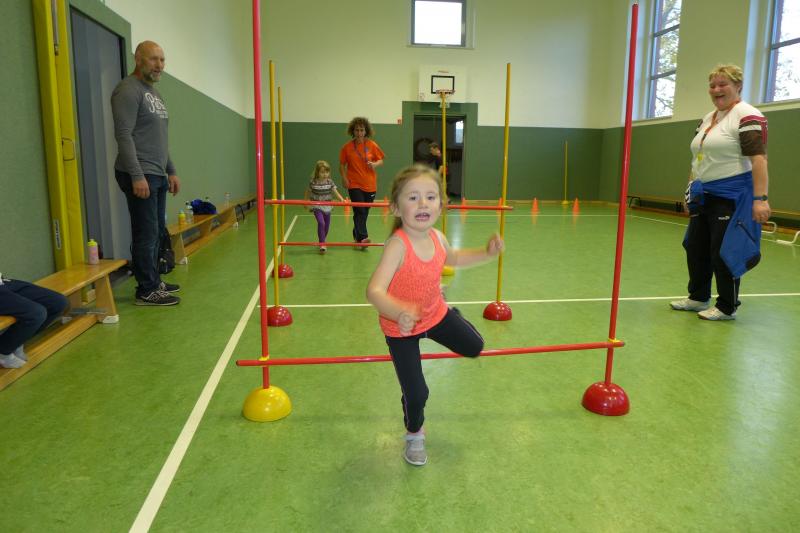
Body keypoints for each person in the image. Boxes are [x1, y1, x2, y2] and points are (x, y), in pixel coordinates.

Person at [366, 165, 504, 466]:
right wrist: (398, 312)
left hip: (435, 314)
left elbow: (454, 258)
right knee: (417, 393)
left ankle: (450, 313)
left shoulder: (438, 238)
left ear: (441, 205)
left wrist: (487, 253)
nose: (423, 203)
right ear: (396, 208)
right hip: (401, 329)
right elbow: (374, 291)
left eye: (430, 197)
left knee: (475, 346)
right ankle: (414, 433)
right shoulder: (397, 245)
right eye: (412, 197)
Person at [670, 64, 770, 321]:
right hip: (704, 194)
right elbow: (698, 158)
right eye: (712, 85)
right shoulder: (707, 118)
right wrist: (690, 189)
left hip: (732, 196)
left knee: (724, 251)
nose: (716, 89)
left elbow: (759, 160)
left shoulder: (747, 116)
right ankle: (698, 297)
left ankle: (727, 306)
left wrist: (760, 200)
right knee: (695, 246)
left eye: (723, 84)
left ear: (738, 86)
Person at [111, 40, 181, 306]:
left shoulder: (155, 94)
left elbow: (159, 138)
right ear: (138, 59)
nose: (159, 65)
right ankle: (146, 290)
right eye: (153, 59)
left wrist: (171, 170)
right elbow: (123, 135)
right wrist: (137, 175)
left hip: (157, 173)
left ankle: (155, 281)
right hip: (140, 173)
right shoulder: (127, 90)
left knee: (156, 231)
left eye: (162, 60)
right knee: (146, 232)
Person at [0, 272, 69, 369]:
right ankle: (3, 351)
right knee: (37, 314)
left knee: (58, 302)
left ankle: (16, 341)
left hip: (3, 283)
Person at [339, 117, 385, 250]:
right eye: (357, 130)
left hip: (370, 185)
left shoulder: (372, 145)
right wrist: (344, 178)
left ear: (366, 131)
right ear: (353, 131)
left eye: (362, 130)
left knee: (363, 213)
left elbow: (381, 160)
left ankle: (357, 234)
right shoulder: (347, 147)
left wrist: (375, 164)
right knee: (359, 210)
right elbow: (342, 165)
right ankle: (363, 238)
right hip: (354, 184)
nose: (359, 133)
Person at [304, 160, 345, 253]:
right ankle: (322, 244)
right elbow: (307, 191)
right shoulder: (313, 182)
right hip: (317, 206)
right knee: (321, 223)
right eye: (322, 172)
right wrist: (305, 202)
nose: (325, 174)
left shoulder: (330, 182)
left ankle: (322, 240)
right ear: (317, 172)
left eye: (327, 172)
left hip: (327, 206)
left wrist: (342, 199)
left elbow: (335, 192)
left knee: (326, 226)